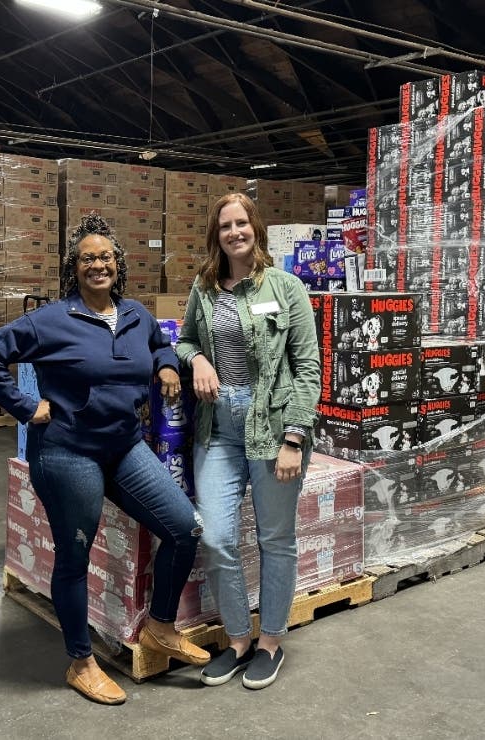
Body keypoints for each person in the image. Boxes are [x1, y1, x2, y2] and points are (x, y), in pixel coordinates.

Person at [0, 213, 209, 706]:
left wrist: (165, 367)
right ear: (73, 269)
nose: (97, 265)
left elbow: (159, 344)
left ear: (118, 265)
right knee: (73, 558)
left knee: (185, 529)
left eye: (105, 257)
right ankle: (80, 662)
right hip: (67, 451)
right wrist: (26, 406)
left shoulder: (137, 314)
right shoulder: (52, 319)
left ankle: (160, 626)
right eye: (86, 259)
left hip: (123, 446)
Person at [175, 193, 321, 690]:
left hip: (274, 425)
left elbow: (307, 369)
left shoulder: (286, 287)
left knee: (276, 539)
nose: (234, 232)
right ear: (215, 235)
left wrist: (295, 438)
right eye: (225, 226)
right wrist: (195, 360)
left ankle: (271, 642)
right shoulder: (205, 286)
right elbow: (186, 338)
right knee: (216, 536)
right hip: (217, 427)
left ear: (255, 228)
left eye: (241, 223)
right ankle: (238, 639)